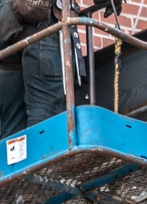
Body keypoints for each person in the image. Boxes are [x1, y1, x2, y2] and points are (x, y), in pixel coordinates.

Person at [0, 0, 122, 140]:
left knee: (13, 129)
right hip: (42, 27)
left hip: (6, 28)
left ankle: (18, 161)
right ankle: (45, 158)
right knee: (46, 117)